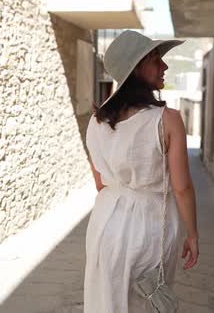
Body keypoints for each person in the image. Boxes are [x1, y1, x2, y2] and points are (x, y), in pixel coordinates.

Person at [83, 30, 199, 312]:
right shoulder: (167, 120)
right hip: (149, 228)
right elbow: (182, 188)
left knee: (106, 302)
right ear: (136, 69)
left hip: (104, 225)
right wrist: (192, 234)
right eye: (156, 59)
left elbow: (100, 183)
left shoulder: (95, 122)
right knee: (147, 302)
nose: (165, 66)